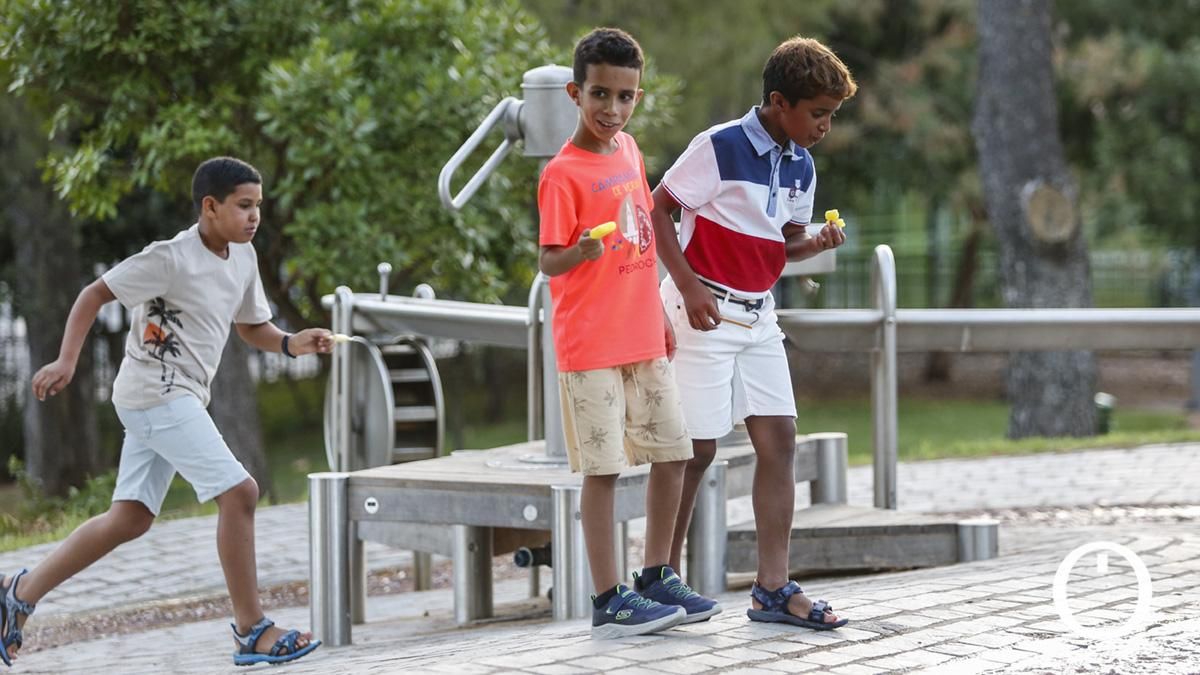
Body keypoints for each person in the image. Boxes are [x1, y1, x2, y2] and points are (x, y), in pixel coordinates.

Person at [1, 157, 329, 667]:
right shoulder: (169, 258)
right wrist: (67, 359)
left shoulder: (243, 257)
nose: (254, 217)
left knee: (129, 518)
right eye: (244, 206)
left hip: (175, 396)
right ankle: (252, 629)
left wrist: (291, 344)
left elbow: (249, 325)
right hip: (156, 393)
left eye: (257, 207)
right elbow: (94, 294)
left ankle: (19, 592)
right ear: (210, 206)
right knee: (240, 493)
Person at [651, 36, 856, 630]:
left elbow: (781, 242)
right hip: (702, 309)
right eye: (818, 113)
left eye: (831, 115)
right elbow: (659, 208)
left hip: (758, 315)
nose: (824, 126)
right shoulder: (719, 147)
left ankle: (772, 589)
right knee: (697, 450)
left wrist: (813, 242)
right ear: (778, 101)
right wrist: (686, 287)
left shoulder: (802, 165)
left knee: (781, 440)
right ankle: (659, 579)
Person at [538, 27, 721, 639]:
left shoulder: (631, 151)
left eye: (625, 97)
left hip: (644, 337)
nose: (612, 110)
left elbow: (642, 237)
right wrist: (581, 250)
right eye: (600, 95)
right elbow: (548, 262)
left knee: (675, 453)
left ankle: (656, 575)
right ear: (575, 91)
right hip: (590, 348)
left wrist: (661, 321)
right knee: (605, 471)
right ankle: (607, 598)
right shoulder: (562, 174)